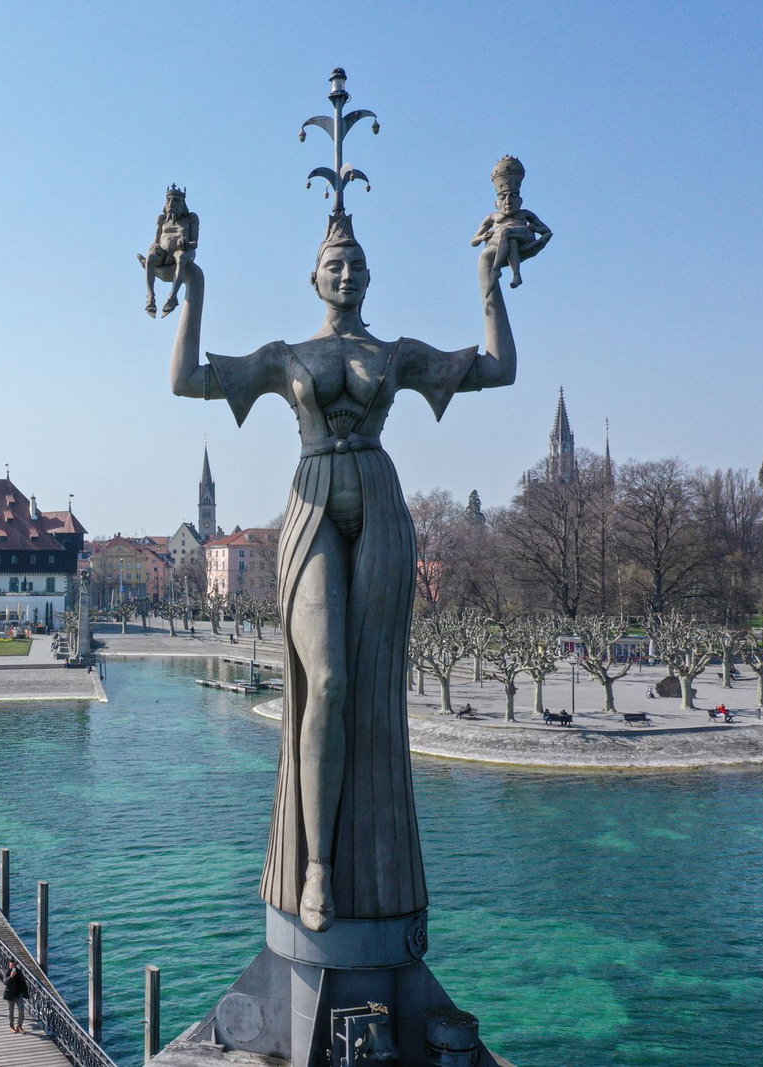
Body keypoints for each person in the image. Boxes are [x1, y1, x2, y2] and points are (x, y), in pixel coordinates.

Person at [170, 196, 529, 932]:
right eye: (336, 264)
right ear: (314, 277)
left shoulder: (392, 355)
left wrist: (490, 274)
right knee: (327, 679)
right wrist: (193, 286)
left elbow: (500, 369)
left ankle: (375, 859)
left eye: (358, 265)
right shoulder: (286, 357)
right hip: (310, 506)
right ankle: (317, 867)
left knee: (373, 688)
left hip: (380, 502)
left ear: (371, 277)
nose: (348, 274)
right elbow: (185, 380)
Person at [470, 156, 550, 293]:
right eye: (502, 197)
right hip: (502, 242)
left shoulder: (524, 214)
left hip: (524, 237)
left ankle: (495, 270)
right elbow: (473, 241)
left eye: (513, 196)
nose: (508, 201)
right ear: (496, 203)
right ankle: (516, 276)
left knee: (507, 232)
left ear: (520, 200)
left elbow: (547, 231)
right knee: (510, 241)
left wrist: (535, 228)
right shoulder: (492, 217)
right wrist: (483, 236)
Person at [138, 184, 199, 318]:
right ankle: (150, 297)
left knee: (181, 258)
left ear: (183, 203)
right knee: (150, 259)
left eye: (176, 200)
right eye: (168, 200)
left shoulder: (190, 218)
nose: (171, 203)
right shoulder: (162, 219)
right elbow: (156, 240)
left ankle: (172, 297)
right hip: (164, 252)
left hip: (183, 250)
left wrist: (185, 243)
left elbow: (195, 243)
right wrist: (154, 247)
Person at [2, 960, 29, 1033]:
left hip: (19, 994)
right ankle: (11, 1026)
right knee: (11, 1011)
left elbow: (23, 982)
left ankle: (19, 1026)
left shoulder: (19, 971)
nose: (13, 967)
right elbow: (5, 982)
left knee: (21, 1011)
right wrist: (10, 977)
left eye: (14, 965)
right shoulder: (6, 972)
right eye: (11, 965)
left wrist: (25, 993)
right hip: (10, 995)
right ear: (9, 965)